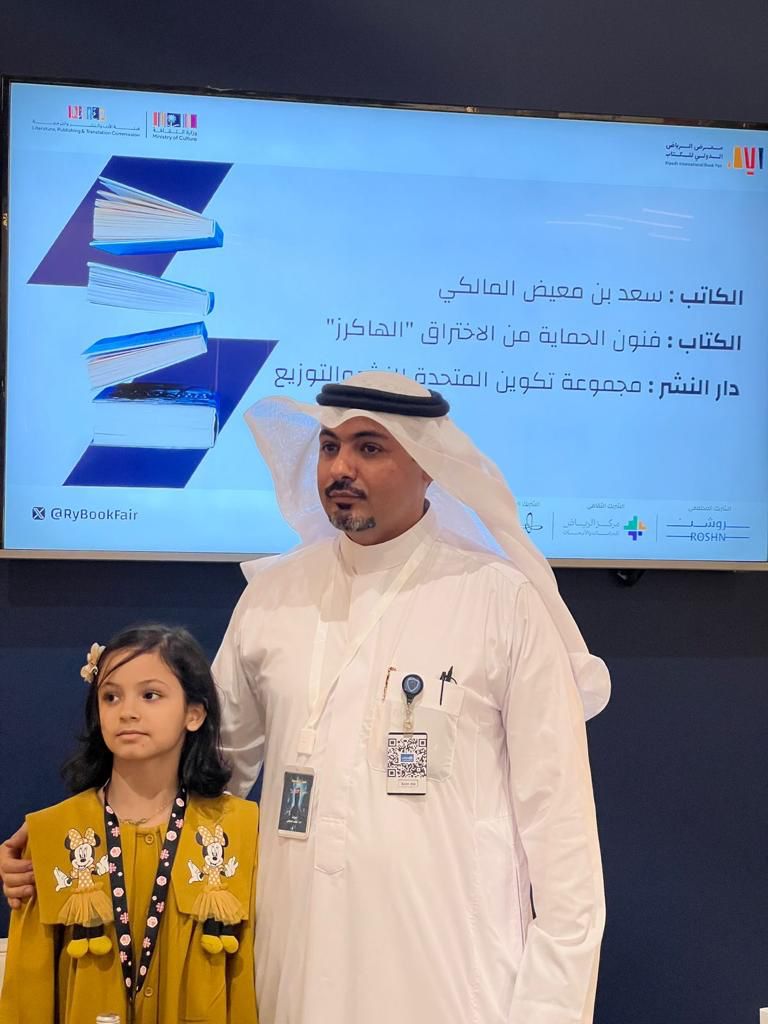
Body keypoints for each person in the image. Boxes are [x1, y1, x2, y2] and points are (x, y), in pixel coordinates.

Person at [3, 370, 608, 1024]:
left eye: (369, 447)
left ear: (428, 464)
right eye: (328, 447)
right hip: (291, 967)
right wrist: (78, 840)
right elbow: (206, 774)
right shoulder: (275, 596)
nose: (340, 468)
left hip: (452, 978)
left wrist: (550, 1010)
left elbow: (563, 838)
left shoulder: (500, 602)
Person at [0, 624, 258, 1024]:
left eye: (150, 695)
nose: (127, 711)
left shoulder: (238, 829)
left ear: (194, 713)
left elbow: (243, 983)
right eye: (111, 696)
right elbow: (26, 992)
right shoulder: (54, 832)